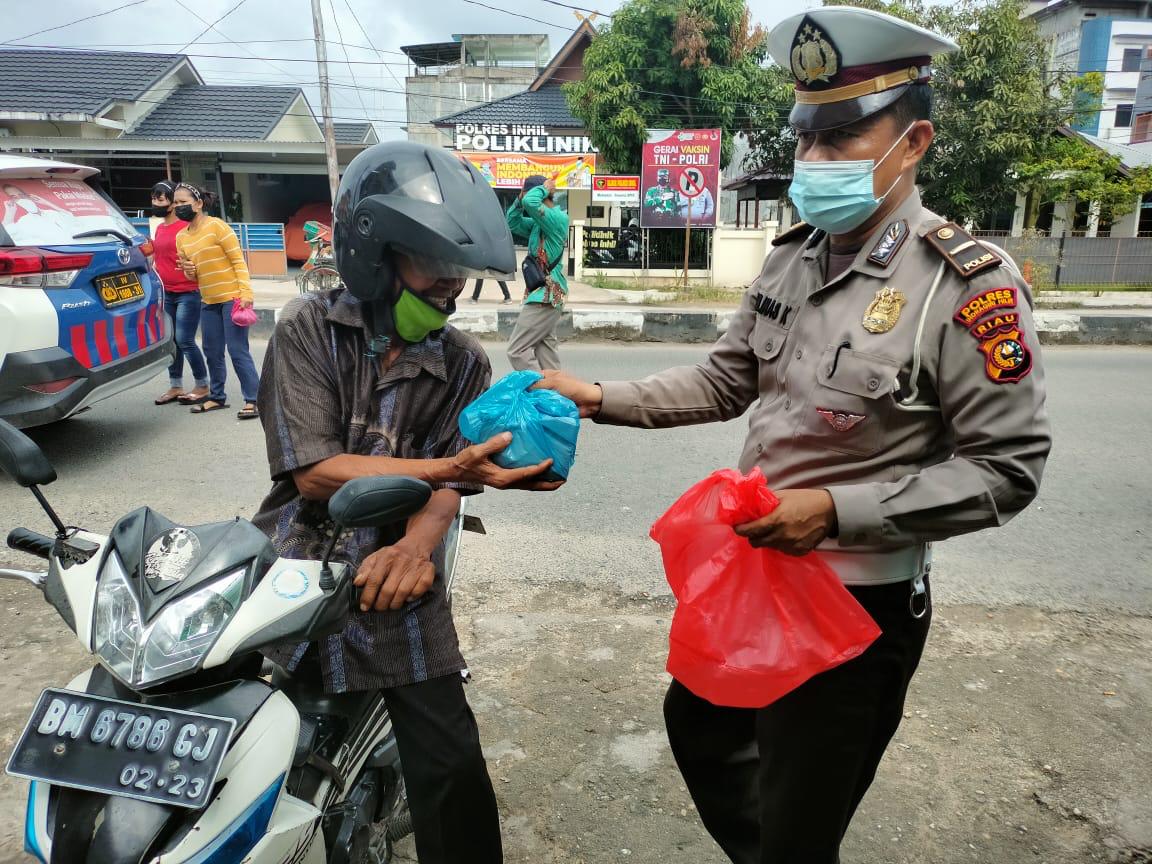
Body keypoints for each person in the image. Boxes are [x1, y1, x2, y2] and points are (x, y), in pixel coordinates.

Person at [537, 7, 1052, 864]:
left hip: (857, 607)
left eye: (842, 138)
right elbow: (724, 378)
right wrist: (598, 394)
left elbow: (1007, 469)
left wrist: (835, 511)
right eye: (807, 138)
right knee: (699, 728)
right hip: (759, 576)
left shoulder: (964, 286)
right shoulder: (793, 256)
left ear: (914, 140)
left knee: (802, 813)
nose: (813, 161)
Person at [251, 141, 562, 864]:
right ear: (376, 253)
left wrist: (417, 545)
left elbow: (452, 486)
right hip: (299, 554)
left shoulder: (464, 362)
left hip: (401, 566)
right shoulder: (306, 331)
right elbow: (315, 475)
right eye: (433, 267)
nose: (451, 289)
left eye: (460, 273)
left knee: (449, 762)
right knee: (251, 737)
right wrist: (446, 467)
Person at [173, 182, 261, 419]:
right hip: (208, 300)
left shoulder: (217, 227)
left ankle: (254, 399)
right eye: (176, 203)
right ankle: (217, 397)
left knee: (236, 350)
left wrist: (246, 294)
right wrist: (189, 270)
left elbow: (238, 261)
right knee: (211, 351)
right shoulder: (181, 237)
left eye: (183, 202)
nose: (178, 207)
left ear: (199, 203)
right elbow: (192, 274)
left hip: (231, 297)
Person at [150, 180, 209, 407]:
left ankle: (202, 384)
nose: (156, 202)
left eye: (160, 198)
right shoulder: (159, 228)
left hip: (188, 292)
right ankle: (176, 385)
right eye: (153, 198)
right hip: (167, 294)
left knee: (185, 339)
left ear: (173, 203)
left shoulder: (184, 229)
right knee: (172, 341)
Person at [505, 175, 569, 371]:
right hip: (542, 295)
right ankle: (557, 395)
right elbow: (512, 222)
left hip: (546, 296)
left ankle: (540, 389)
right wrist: (519, 199)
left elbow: (531, 201)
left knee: (516, 350)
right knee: (546, 355)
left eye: (527, 193)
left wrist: (543, 188)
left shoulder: (558, 219)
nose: (525, 199)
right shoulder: (537, 225)